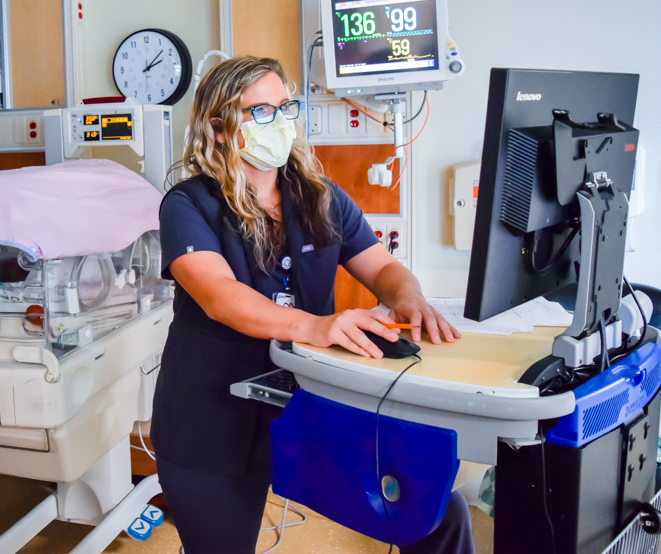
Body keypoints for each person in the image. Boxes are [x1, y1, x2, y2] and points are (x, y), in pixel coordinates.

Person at [151, 56, 472, 554]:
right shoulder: (188, 205)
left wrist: (411, 300)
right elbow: (220, 298)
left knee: (434, 515)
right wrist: (318, 326)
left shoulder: (321, 198)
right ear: (219, 128)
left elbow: (383, 269)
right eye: (260, 112)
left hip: (308, 407)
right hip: (210, 418)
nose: (279, 122)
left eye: (285, 107)